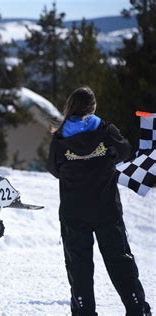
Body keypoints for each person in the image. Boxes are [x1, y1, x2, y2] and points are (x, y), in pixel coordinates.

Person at [47, 86, 151, 316]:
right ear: (93, 107)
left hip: (74, 212)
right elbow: (125, 151)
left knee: (79, 265)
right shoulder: (106, 131)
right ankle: (136, 308)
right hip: (106, 209)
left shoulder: (60, 136)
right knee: (119, 260)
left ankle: (84, 311)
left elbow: (53, 168)